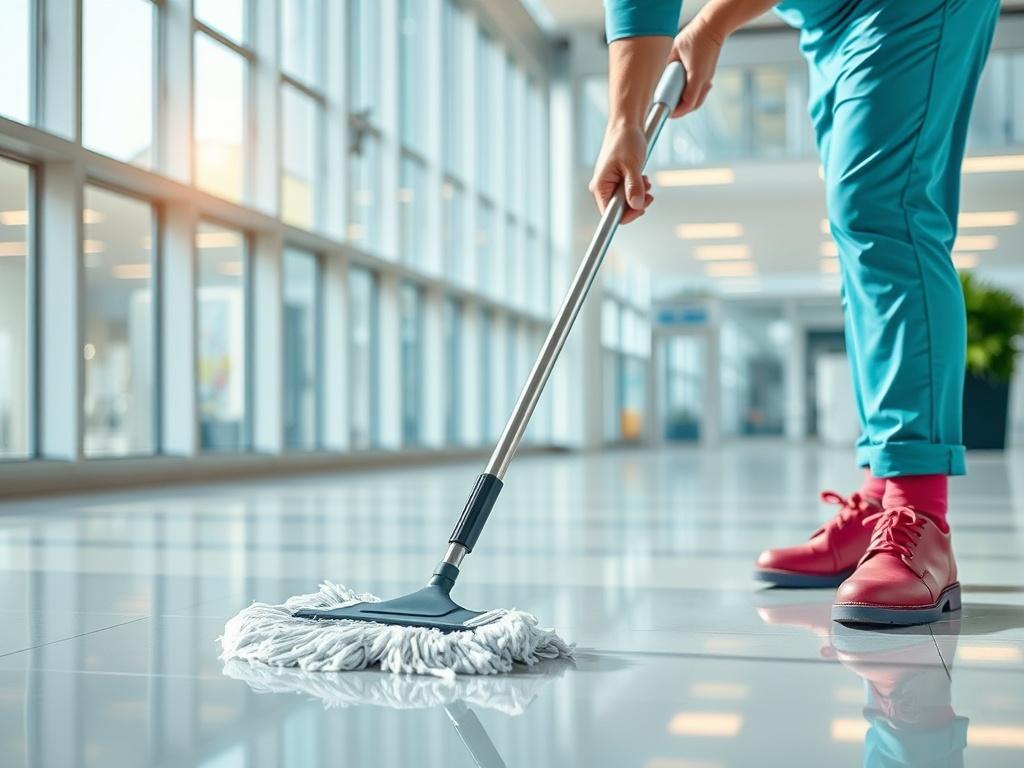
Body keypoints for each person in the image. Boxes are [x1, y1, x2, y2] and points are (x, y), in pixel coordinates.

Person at [593, 0, 1001, 625]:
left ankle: (921, 511)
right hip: (826, 17)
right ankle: (880, 497)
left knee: (883, 210)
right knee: (859, 235)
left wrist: (713, 22)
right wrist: (622, 120)